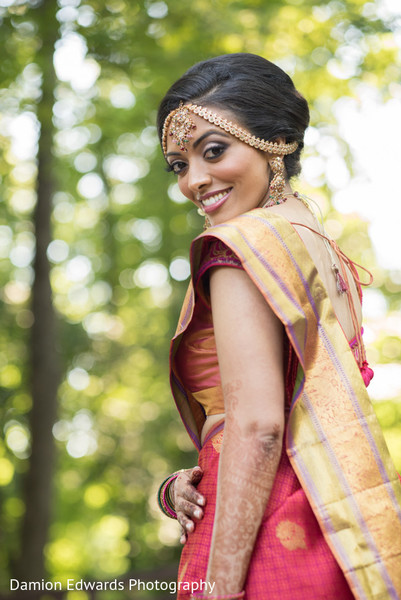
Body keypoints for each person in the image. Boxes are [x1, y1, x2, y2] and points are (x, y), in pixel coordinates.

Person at [155, 53, 401, 600]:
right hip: (332, 522)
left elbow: (260, 426)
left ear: (278, 142)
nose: (194, 181)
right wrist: (190, 482)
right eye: (179, 165)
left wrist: (219, 589)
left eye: (213, 151)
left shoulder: (243, 247)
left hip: (261, 541)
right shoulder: (324, 252)